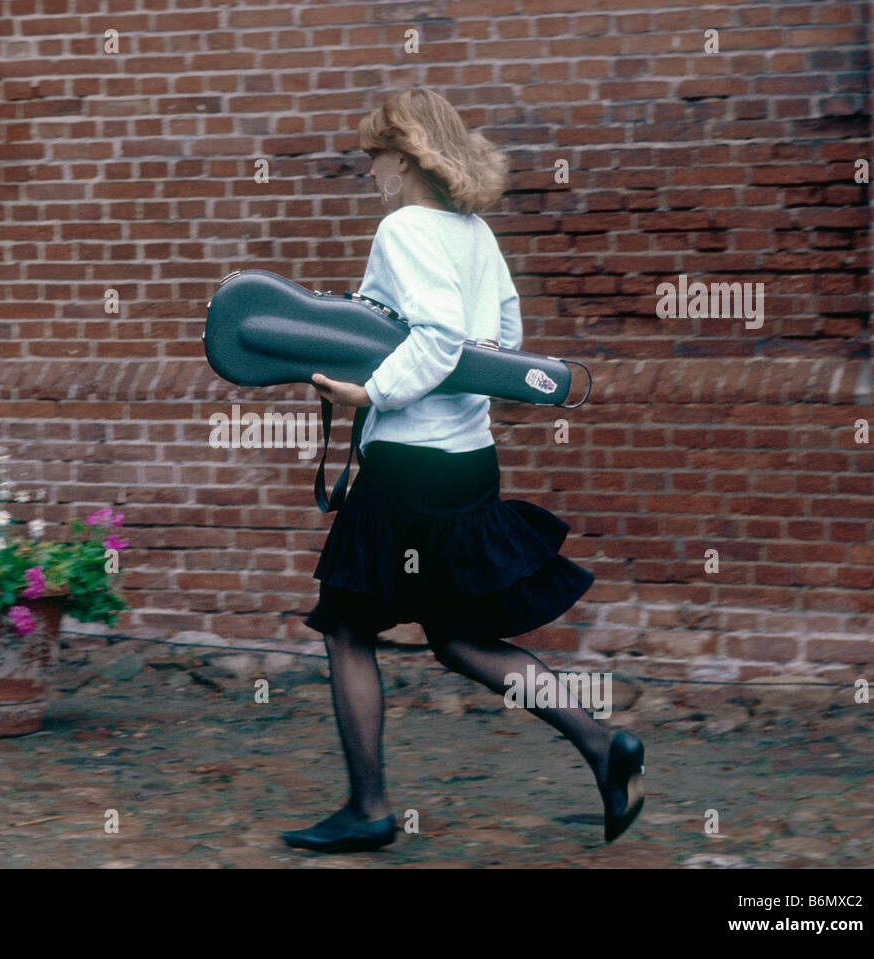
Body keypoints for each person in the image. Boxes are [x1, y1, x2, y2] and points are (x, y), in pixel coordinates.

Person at [281, 87, 644, 854]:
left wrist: (370, 391)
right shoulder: (473, 231)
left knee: (347, 627)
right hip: (468, 460)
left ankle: (369, 807)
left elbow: (441, 333)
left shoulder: (405, 226)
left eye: (373, 155)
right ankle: (601, 742)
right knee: (456, 635)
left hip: (408, 467)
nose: (370, 170)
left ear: (404, 155)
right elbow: (501, 336)